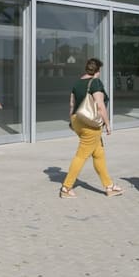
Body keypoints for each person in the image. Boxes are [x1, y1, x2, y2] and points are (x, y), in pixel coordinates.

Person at [59, 57, 121, 198]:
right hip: (90, 124)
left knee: (98, 154)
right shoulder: (95, 83)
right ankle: (66, 188)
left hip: (77, 120)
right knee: (81, 155)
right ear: (97, 70)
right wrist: (108, 124)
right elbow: (100, 106)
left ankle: (109, 186)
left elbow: (71, 105)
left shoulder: (77, 83)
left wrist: (73, 123)